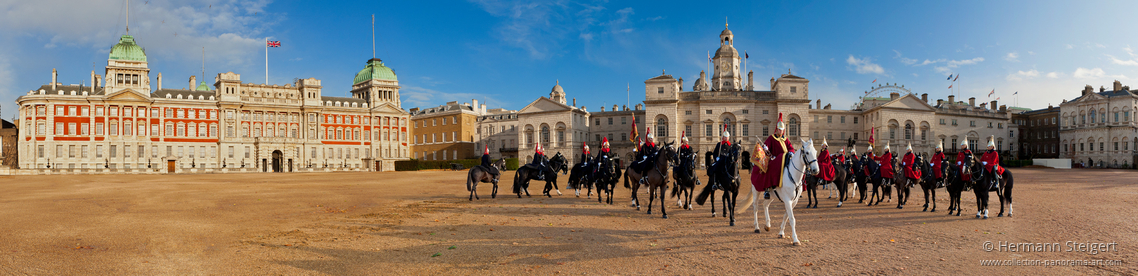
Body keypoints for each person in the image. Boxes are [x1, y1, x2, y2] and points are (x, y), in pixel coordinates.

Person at [754, 113, 795, 194]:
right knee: (769, 169)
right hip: (775, 159)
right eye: (779, 129)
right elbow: (767, 145)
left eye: (782, 130)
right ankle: (767, 189)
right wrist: (766, 147)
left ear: (784, 130)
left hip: (786, 158)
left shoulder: (786, 139)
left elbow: (791, 147)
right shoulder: (772, 137)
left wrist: (791, 152)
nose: (780, 131)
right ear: (777, 129)